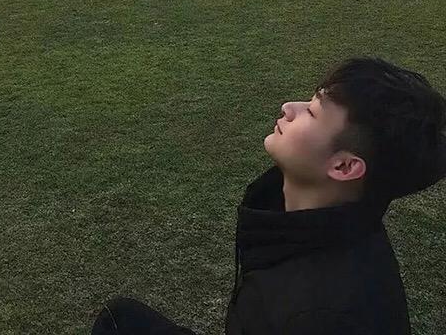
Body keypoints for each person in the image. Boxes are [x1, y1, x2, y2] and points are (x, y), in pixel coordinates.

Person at [91, 56, 446, 335]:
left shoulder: (321, 315)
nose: (289, 107)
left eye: (312, 112)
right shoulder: (310, 216)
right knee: (120, 319)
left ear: (344, 167)